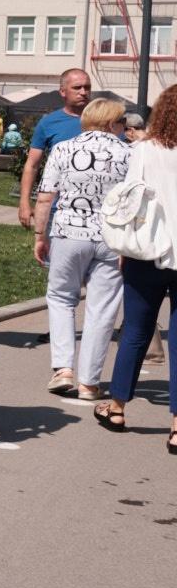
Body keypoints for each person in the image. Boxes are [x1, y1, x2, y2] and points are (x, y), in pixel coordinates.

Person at [96, 84, 177, 455]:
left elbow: (131, 197)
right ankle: (176, 428)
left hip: (148, 250)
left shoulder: (144, 150)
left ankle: (117, 407)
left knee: (136, 330)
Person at [33, 99, 130, 401]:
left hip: (69, 232)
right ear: (112, 123)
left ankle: (63, 369)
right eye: (122, 121)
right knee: (102, 309)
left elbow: (46, 196)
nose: (124, 127)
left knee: (61, 297)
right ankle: (89, 383)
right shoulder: (128, 153)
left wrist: (39, 234)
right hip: (112, 237)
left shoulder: (63, 149)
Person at [20, 68, 93, 229]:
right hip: (58, 209)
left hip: (97, 209)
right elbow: (32, 165)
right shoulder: (49, 123)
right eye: (77, 87)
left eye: (87, 87)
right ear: (62, 91)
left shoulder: (105, 122)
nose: (83, 92)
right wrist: (24, 202)